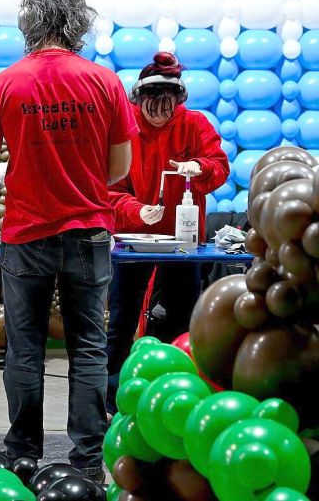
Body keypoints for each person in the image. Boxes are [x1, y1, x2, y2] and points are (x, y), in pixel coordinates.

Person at [0, 0, 137, 481]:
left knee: (25, 346)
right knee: (88, 345)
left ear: (29, 21)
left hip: (25, 233)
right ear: (78, 20)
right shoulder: (104, 82)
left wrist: (11, 170)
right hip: (89, 230)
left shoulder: (4, 83)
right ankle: (86, 463)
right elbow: (118, 171)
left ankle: (22, 454)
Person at [105, 52, 229, 413]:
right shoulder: (122, 129)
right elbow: (108, 187)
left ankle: (175, 393)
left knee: (181, 316)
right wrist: (135, 210)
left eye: (167, 107)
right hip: (133, 241)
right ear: (138, 100)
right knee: (122, 318)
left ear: (178, 102)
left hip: (184, 242)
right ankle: (112, 397)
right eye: (151, 106)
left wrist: (199, 167)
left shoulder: (195, 125)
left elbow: (219, 165)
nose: (159, 114)